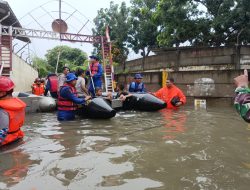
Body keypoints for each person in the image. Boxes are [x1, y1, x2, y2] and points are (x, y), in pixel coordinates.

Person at [0, 76, 26, 146]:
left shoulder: (2, 109)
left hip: (5, 143)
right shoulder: (18, 105)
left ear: (2, 93)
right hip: (17, 138)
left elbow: (2, 132)